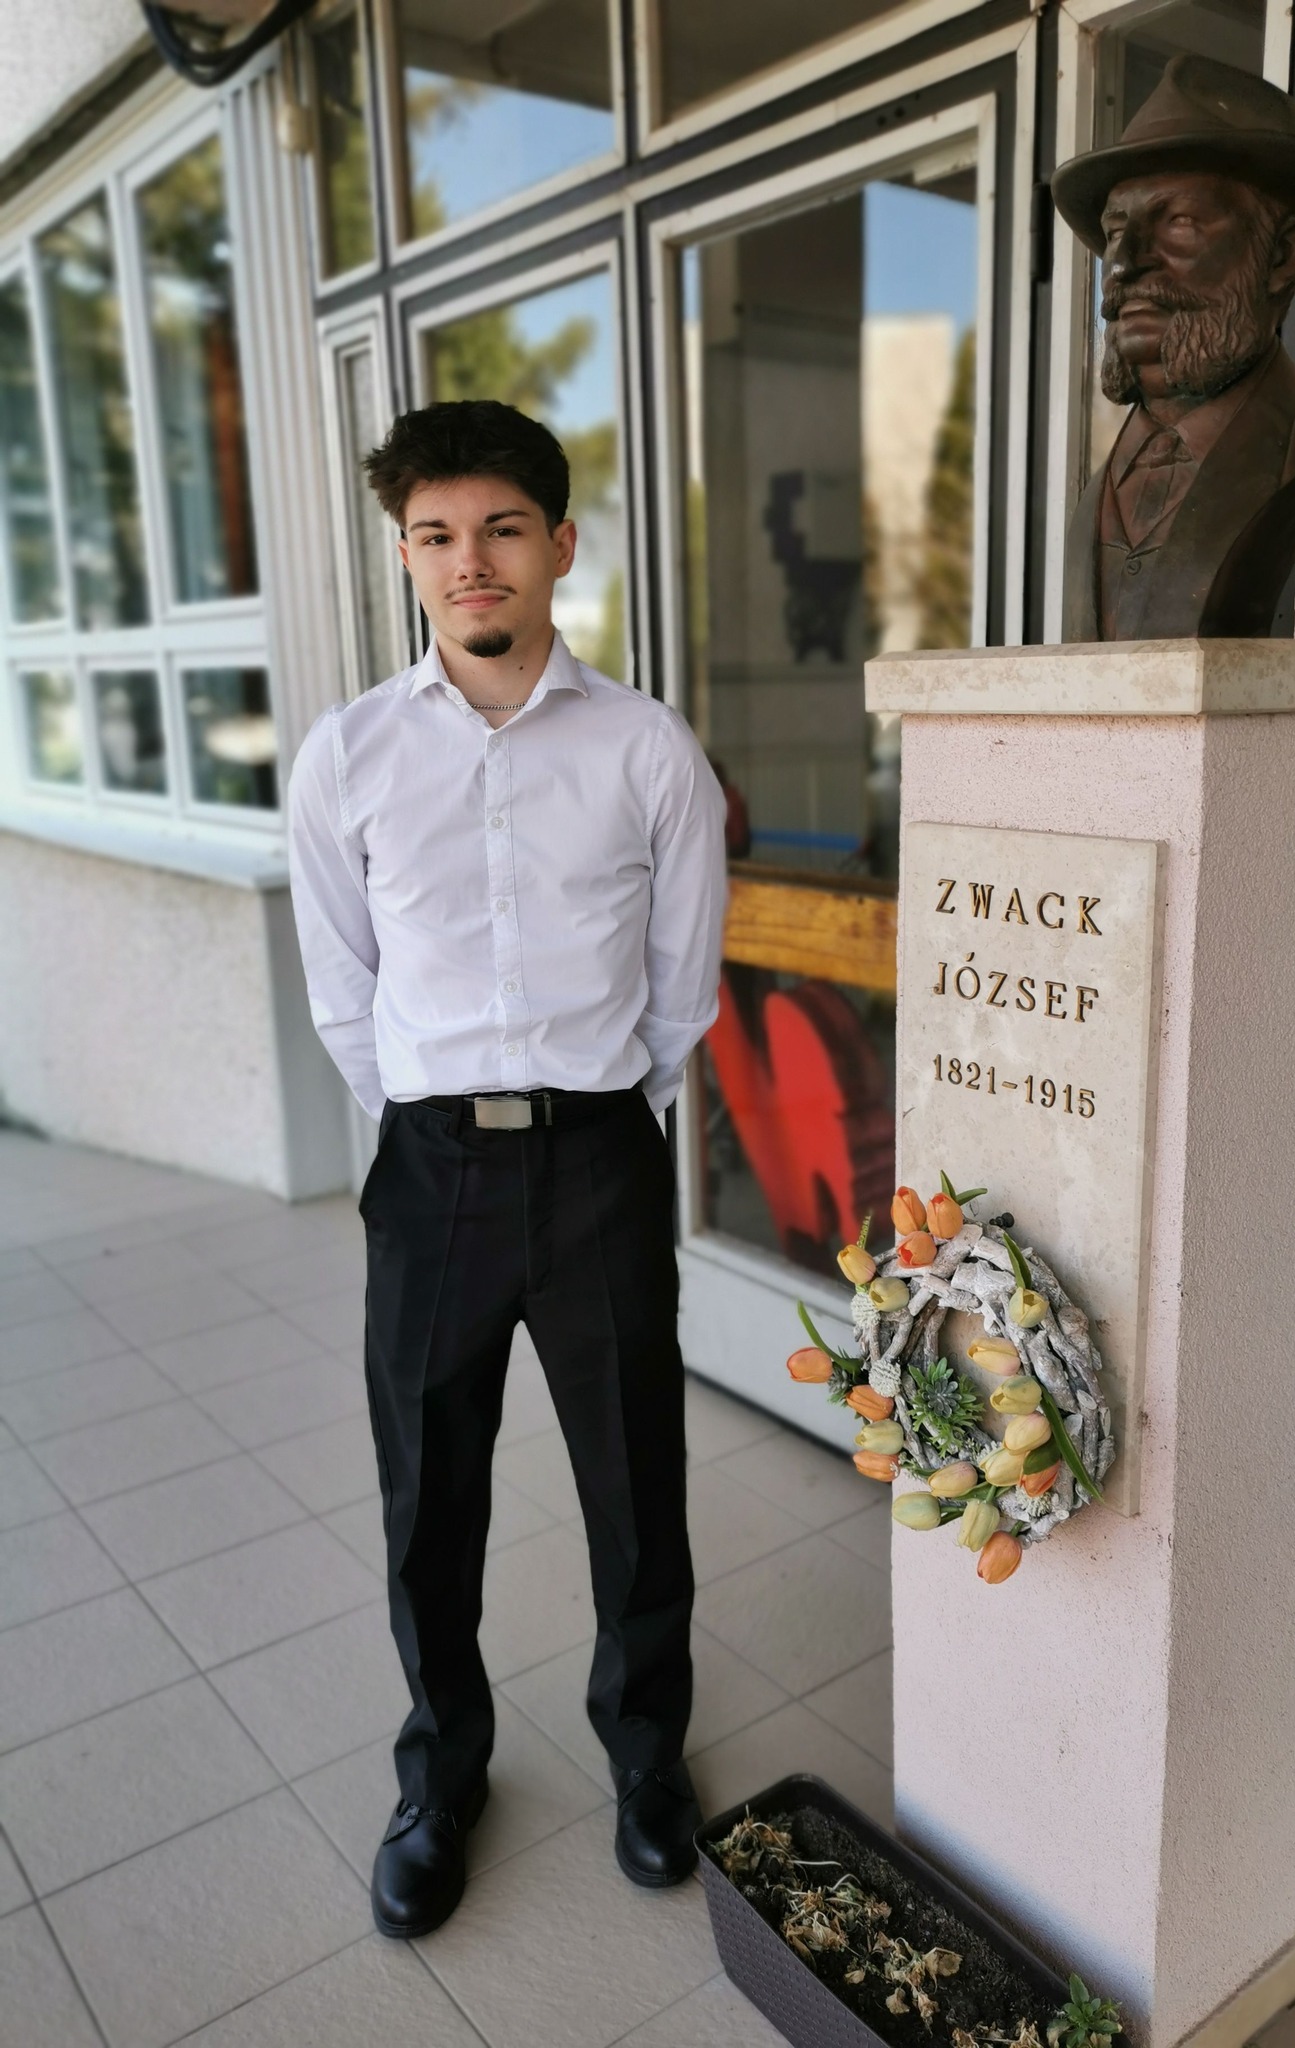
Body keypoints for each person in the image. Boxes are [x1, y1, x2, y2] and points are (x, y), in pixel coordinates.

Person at [286, 398, 728, 1938]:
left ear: (560, 546)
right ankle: (442, 1774)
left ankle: (648, 1756)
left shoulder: (645, 748)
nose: (468, 561)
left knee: (636, 1482)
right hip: (431, 1177)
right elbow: (342, 989)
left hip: (598, 1161)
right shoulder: (347, 755)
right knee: (429, 1496)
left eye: (500, 530)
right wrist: (432, 1115)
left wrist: (595, 1110)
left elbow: (681, 989)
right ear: (406, 555)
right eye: (435, 535)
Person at [1051, 54, 1295, 640]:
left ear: (1283, 256)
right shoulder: (1098, 490)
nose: (1122, 264)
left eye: (1179, 222)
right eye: (1116, 231)